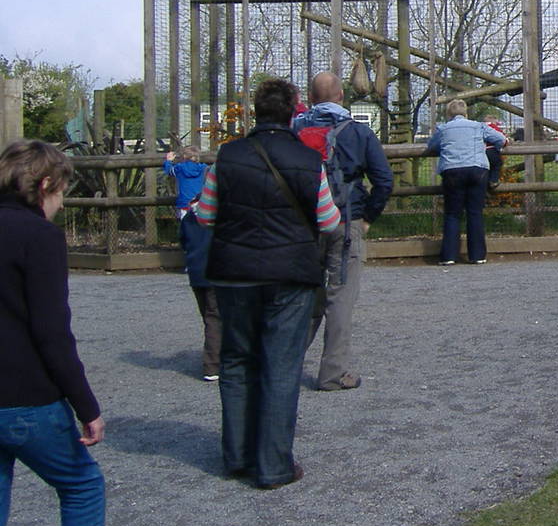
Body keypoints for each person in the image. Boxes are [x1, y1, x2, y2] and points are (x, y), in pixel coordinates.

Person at [0, 139, 165, 526]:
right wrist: (85, 405)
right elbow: (52, 332)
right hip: (26, 396)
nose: (61, 203)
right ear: (45, 184)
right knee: (81, 487)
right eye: (61, 191)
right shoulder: (38, 237)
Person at [194, 79, 342, 489]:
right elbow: (329, 221)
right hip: (290, 273)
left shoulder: (227, 156)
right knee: (281, 366)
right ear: (294, 110)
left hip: (234, 272)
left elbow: (205, 215)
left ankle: (238, 456)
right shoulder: (308, 159)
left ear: (255, 111)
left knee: (237, 361)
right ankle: (273, 464)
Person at [292, 71, 393, 392]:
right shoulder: (358, 132)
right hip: (346, 221)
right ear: (341, 96)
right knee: (340, 298)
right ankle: (332, 373)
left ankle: (282, 364)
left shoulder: (294, 130)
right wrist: (367, 219)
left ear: (311, 98)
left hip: (303, 225)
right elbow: (384, 180)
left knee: (305, 297)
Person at [163, 146, 221, 381]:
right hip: (216, 269)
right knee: (217, 317)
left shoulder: (190, 216)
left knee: (208, 315)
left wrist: (167, 161)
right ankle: (213, 364)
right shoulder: (220, 211)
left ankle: (215, 358)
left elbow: (184, 241)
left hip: (196, 270)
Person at [427, 99, 506, 266]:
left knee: (452, 213)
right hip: (477, 170)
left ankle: (449, 256)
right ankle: (477, 255)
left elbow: (431, 146)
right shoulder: (478, 126)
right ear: (466, 113)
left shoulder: (443, 129)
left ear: (448, 114)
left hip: (452, 171)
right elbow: (501, 139)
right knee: (475, 212)